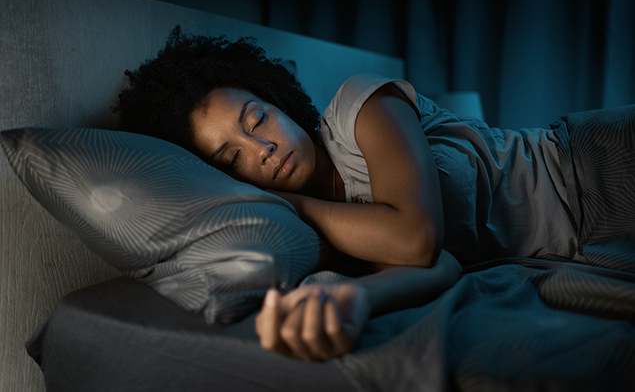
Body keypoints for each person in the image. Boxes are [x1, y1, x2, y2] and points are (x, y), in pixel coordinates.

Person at [113, 27, 635, 362]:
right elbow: (443, 266)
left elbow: (415, 239)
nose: (264, 147)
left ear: (278, 102)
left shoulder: (361, 106)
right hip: (588, 248)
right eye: (232, 159)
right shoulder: (324, 236)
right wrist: (352, 297)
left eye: (257, 119)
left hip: (596, 165)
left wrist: (291, 204)